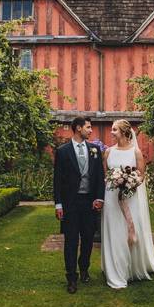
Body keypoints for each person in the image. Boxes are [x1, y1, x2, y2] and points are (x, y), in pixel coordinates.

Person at [100, 119, 154, 289]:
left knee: (129, 230)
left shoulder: (136, 152)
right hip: (111, 198)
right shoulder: (108, 152)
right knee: (114, 231)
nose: (111, 132)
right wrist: (115, 182)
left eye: (115, 130)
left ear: (124, 132)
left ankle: (131, 268)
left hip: (130, 198)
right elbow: (105, 175)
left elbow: (141, 175)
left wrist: (129, 182)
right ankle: (115, 269)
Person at [53, 116, 105, 294]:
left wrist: (100, 198)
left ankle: (84, 269)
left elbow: (99, 177)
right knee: (71, 241)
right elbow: (57, 181)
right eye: (88, 127)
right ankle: (71, 277)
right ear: (78, 128)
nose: (91, 131)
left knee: (89, 238)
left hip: (90, 203)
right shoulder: (62, 151)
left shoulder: (95, 150)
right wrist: (58, 204)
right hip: (70, 204)